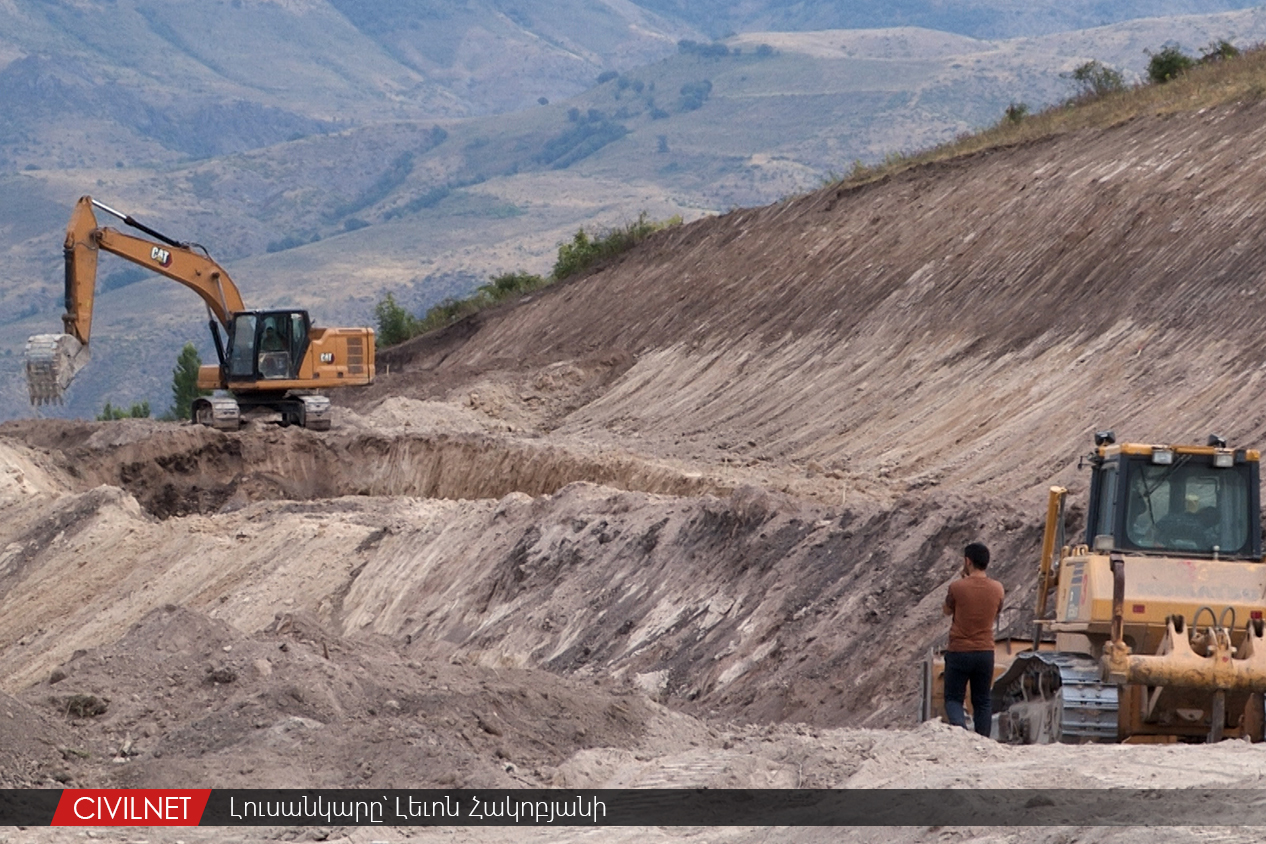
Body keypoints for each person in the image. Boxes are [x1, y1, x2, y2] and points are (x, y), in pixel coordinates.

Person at [942, 541, 1004, 737]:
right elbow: (997, 611)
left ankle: (960, 734)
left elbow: (946, 610)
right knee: (982, 700)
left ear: (967, 561)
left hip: (959, 650)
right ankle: (982, 741)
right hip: (985, 652)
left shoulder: (957, 587)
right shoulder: (998, 588)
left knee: (953, 698)